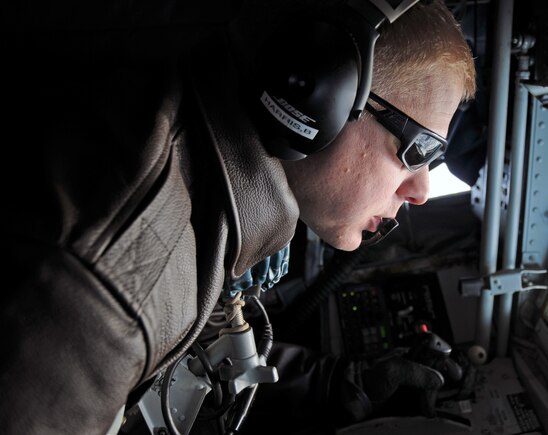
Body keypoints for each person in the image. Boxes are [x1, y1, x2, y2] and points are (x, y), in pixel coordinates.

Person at [2, 0, 475, 433]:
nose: (421, 192)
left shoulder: (210, 180)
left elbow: (189, 353)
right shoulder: (103, 295)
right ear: (318, 91)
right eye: (420, 150)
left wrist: (337, 384)